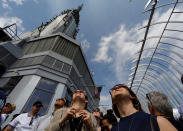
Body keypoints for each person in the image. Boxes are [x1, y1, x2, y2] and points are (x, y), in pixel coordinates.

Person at [110, 83, 177, 131]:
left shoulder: (157, 121)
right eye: (113, 89)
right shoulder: (114, 129)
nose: (116, 87)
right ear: (113, 102)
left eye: (121, 86)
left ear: (132, 96)